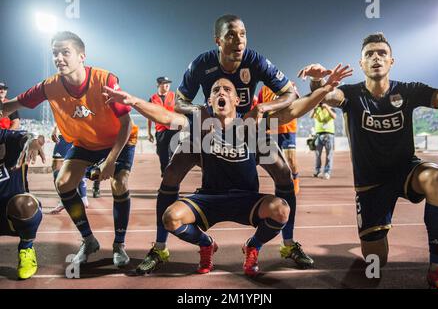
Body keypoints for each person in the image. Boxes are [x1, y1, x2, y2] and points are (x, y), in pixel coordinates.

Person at [102, 74, 346, 275]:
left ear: (237, 100)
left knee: (281, 209)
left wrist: (323, 90)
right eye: (216, 89)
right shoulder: (201, 126)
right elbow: (167, 117)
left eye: (227, 90)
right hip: (209, 200)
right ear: (209, 100)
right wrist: (133, 100)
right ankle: (206, 244)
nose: (221, 92)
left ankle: (254, 245)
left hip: (247, 201)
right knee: (171, 218)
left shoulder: (253, 129)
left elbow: (291, 111)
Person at [141, 14, 314, 273]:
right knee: (171, 174)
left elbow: (290, 93)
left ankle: (288, 244)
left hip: (245, 130)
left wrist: (263, 107)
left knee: (283, 174)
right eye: (231, 35)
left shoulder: (255, 60)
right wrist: (201, 111)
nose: (239, 40)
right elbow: (179, 102)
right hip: (209, 128)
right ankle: (159, 247)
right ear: (218, 41)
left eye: (243, 34)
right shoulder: (202, 63)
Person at [295, 33, 438, 289]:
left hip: (406, 170)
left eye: (381, 53)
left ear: (391, 62)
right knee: (376, 262)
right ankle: (378, 238)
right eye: (369, 54)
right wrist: (316, 81)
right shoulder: (351, 94)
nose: (376, 57)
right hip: (370, 184)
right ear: (361, 64)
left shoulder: (407, 91)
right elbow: (326, 96)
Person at [0, 31, 139, 268]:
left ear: (81, 56)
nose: (59, 58)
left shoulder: (105, 80)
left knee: (119, 183)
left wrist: (110, 161)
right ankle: (89, 240)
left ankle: (119, 245)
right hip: (85, 143)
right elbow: (10, 106)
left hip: (119, 140)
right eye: (55, 53)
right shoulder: (49, 86)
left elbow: (126, 124)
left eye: (65, 52)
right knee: (63, 182)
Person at [0, 129, 45, 279]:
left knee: (25, 204)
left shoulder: (7, 138)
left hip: (9, 214)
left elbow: (26, 137)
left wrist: (32, 142)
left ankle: (26, 248)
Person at [258, 84, 300, 194]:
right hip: (271, 129)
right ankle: (281, 186)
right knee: (274, 162)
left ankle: (295, 179)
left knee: (291, 160)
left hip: (288, 128)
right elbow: (259, 108)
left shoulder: (289, 85)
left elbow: (296, 101)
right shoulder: (263, 90)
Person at [49, 125, 89, 214]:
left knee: (80, 165)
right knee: (56, 168)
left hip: (80, 135)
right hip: (63, 136)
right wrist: (55, 128)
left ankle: (83, 196)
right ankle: (63, 200)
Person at [148, 76, 179, 176]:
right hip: (160, 130)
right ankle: (165, 174)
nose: (167, 85)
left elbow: (180, 111)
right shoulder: (152, 99)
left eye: (168, 83)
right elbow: (149, 116)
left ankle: (172, 175)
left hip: (174, 129)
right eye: (164, 83)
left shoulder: (175, 96)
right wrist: (149, 132)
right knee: (162, 154)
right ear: (158, 85)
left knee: (173, 153)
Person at [310, 102, 336, 179]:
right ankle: (317, 171)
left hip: (329, 134)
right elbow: (310, 116)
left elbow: (334, 116)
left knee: (329, 155)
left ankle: (327, 172)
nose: (322, 104)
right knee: (317, 155)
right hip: (318, 135)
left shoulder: (331, 109)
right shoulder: (317, 109)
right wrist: (315, 108)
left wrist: (327, 107)